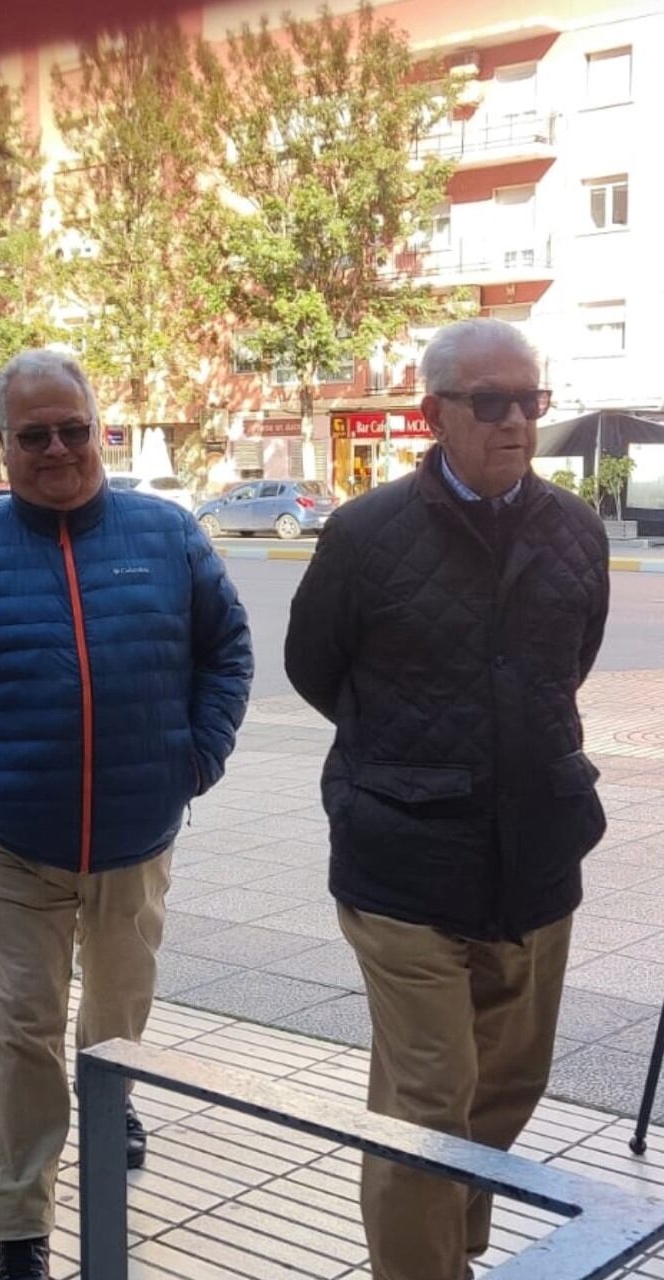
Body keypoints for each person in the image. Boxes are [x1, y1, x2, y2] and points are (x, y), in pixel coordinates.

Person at [0, 349, 253, 1280]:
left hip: (139, 831)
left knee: (119, 1006)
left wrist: (192, 761)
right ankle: (20, 1228)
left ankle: (112, 1092)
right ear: (1, 443)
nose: (55, 448)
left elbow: (227, 651)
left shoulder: (167, 535)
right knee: (19, 1025)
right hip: (14, 839)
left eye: (71, 429)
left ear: (99, 429)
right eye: (32, 433)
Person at [284, 318, 609, 1280]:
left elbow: (570, 663)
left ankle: (445, 1244)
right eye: (491, 402)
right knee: (429, 1099)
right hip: (403, 860)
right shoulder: (365, 533)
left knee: (509, 1083)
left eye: (531, 401)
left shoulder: (575, 532)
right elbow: (314, 666)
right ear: (433, 414)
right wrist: (400, 757)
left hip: (536, 858)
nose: (516, 422)